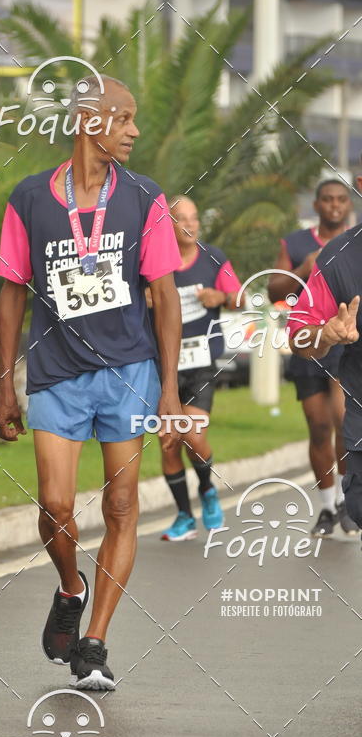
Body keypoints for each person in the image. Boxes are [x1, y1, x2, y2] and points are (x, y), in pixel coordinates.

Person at [0, 75, 182, 691]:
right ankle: (70, 588)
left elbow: (163, 296)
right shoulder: (28, 198)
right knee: (54, 506)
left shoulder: (144, 197)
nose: (133, 130)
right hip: (56, 372)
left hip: (129, 372)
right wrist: (4, 384)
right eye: (123, 118)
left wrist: (170, 387)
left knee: (122, 505)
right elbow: (11, 293)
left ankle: (94, 643)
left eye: (133, 120)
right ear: (89, 121)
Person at [147, 196, 240, 541]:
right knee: (169, 442)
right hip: (161, 365)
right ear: (168, 225)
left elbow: (241, 296)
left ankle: (207, 489)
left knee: (193, 434)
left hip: (201, 362)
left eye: (195, 218)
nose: (190, 224)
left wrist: (221, 297)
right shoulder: (153, 262)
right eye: (181, 218)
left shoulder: (215, 257)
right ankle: (185, 516)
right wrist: (145, 298)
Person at [269, 180, 357, 538]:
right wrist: (302, 270)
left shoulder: (354, 244)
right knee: (318, 426)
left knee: (342, 422)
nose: (334, 206)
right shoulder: (297, 243)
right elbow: (273, 289)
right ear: (317, 204)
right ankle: (327, 506)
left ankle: (346, 500)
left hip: (346, 348)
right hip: (310, 339)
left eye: (341, 200)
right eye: (327, 200)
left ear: (348, 204)